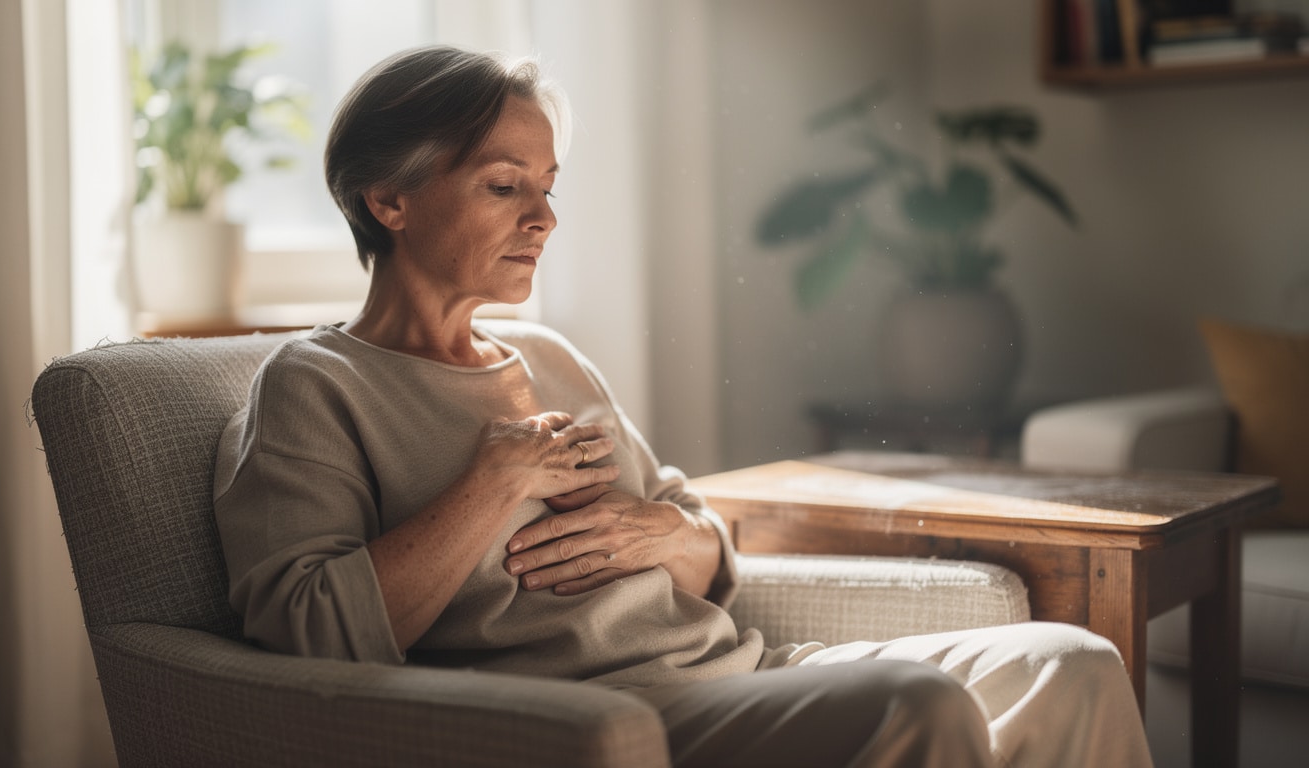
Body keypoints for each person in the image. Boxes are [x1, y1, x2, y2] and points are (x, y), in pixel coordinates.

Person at [213, 45, 1153, 767]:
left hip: (736, 674)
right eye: (505, 187)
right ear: (389, 200)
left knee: (1069, 664)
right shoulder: (315, 386)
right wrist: (493, 483)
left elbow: (711, 551)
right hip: (605, 717)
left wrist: (659, 533)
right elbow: (301, 638)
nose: (544, 219)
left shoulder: (550, 358)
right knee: (919, 707)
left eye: (546, 189)